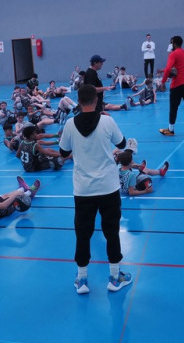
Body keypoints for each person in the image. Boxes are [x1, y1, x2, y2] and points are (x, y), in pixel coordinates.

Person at [58, 85, 133, 295]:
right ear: (96, 100)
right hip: (108, 187)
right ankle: (115, 277)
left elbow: (63, 152)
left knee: (83, 233)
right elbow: (122, 143)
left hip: (83, 190)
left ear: (79, 101)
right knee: (111, 231)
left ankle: (82, 279)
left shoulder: (70, 124)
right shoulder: (107, 121)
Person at [159, 36, 184, 139]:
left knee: (173, 108)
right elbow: (179, 67)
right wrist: (163, 70)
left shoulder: (173, 54)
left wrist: (163, 82)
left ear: (173, 43)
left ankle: (171, 130)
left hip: (177, 85)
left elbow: (169, 69)